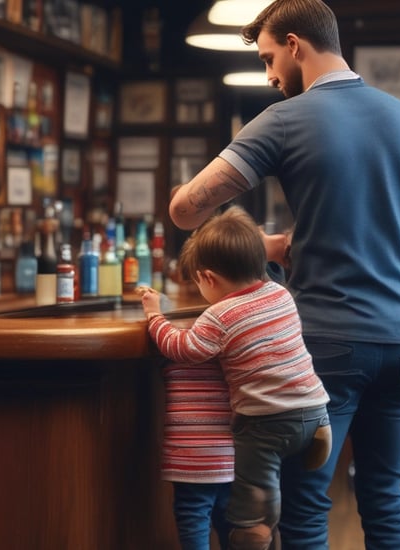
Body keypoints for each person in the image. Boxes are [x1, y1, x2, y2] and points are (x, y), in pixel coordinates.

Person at [167, 1, 400, 548]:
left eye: (268, 58)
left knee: (306, 504)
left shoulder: (284, 119)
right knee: (384, 494)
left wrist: (187, 204)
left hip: (328, 344)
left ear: (295, 44)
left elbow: (186, 211)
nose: (269, 75)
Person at [140, 206, 331, 550]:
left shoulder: (220, 315)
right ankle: (318, 435)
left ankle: (255, 533)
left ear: (209, 278)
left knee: (257, 491)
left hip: (265, 422)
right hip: (314, 406)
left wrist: (155, 315)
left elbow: (182, 347)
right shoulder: (281, 294)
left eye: (199, 283)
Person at [159, 358, 234, 550]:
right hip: (232, 444)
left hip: (188, 447)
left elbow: (154, 330)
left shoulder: (172, 337)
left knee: (193, 517)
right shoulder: (233, 332)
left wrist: (156, 325)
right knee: (232, 519)